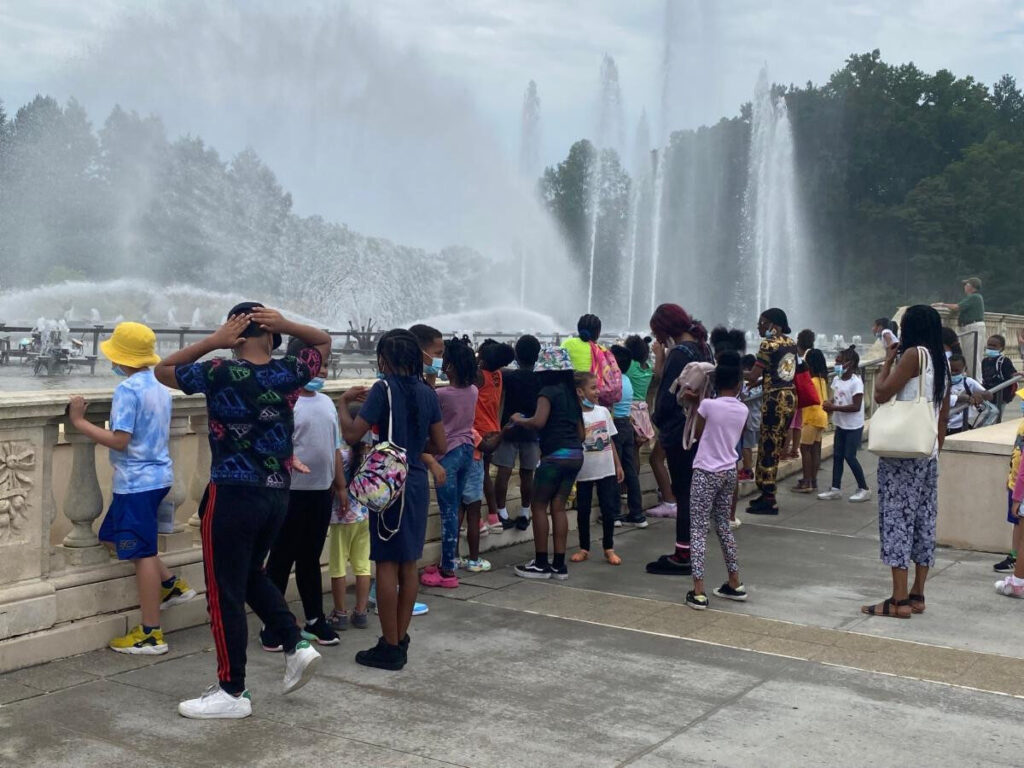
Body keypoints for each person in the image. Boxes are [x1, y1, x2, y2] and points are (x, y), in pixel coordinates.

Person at [156, 303, 330, 719]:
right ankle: (295, 644)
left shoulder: (218, 371)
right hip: (277, 495)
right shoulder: (288, 373)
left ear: (233, 336)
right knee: (251, 574)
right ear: (271, 336)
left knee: (223, 592)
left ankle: (232, 690)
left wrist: (213, 342)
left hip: (232, 495)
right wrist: (286, 324)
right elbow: (322, 341)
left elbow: (163, 370)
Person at [68, 322, 194, 656]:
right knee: (112, 536)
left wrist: (80, 423)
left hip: (137, 483)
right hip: (157, 478)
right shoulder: (158, 386)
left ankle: (151, 634)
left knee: (139, 552)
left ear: (120, 358)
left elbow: (120, 440)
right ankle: (169, 584)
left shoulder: (128, 391)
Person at [338, 329, 446, 670]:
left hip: (387, 482)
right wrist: (414, 451)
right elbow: (440, 446)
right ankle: (400, 637)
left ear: (384, 359)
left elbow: (352, 433)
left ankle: (389, 644)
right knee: (408, 563)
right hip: (414, 479)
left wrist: (342, 404)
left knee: (385, 562)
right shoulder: (428, 392)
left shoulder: (383, 389)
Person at [862, 305, 949, 619]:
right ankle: (917, 594)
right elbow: (943, 416)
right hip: (927, 454)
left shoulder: (912, 355)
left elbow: (882, 393)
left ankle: (898, 602)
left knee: (897, 521)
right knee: (924, 522)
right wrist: (933, 449)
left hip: (902, 456)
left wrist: (887, 360)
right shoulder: (942, 361)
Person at [263, 338, 344, 648]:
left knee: (310, 557)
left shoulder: (326, 403)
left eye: (325, 364)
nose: (321, 370)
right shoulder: (286, 402)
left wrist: (340, 485)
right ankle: (274, 624)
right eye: (316, 363)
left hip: (320, 493)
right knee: (280, 559)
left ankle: (315, 618)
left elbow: (334, 447)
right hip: (289, 494)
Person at [645, 303, 713, 575]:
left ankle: (683, 556)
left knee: (683, 493)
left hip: (679, 433)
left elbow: (667, 397)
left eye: (657, 332)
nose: (658, 339)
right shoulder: (700, 347)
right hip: (698, 430)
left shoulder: (679, 354)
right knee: (690, 495)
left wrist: (658, 421)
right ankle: (689, 551)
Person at [508, 346, 584, 580]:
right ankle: (559, 565)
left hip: (554, 457)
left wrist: (519, 420)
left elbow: (539, 422)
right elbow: (582, 433)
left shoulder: (547, 393)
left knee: (538, 506)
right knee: (558, 507)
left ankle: (541, 563)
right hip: (575, 455)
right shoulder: (572, 395)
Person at [686, 351, 749, 610]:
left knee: (699, 528)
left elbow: (698, 433)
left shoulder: (708, 405)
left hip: (705, 470)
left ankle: (698, 590)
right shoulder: (743, 409)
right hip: (729, 470)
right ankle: (734, 581)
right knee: (723, 525)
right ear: (738, 384)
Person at [421, 337, 483, 590]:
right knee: (455, 508)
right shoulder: (474, 391)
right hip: (467, 449)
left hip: (447, 454)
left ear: (451, 367)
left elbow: (426, 405)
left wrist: (430, 376)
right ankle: (450, 560)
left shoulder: (442, 394)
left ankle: (447, 571)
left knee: (448, 513)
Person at [744, 308, 798, 516]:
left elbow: (753, 374)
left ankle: (768, 496)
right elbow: (780, 370)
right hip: (790, 396)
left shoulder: (768, 344)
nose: (759, 326)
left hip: (775, 399)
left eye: (762, 323)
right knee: (775, 446)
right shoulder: (791, 343)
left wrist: (728, 371)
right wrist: (761, 379)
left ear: (773, 325)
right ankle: (767, 493)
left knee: (767, 445)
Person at [570, 372, 626, 565]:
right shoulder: (575, 415)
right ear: (579, 391)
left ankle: (608, 547)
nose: (597, 391)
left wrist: (617, 464)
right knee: (583, 510)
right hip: (584, 470)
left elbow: (609, 440)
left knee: (608, 509)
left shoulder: (602, 412)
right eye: (593, 388)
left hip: (606, 468)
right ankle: (584, 547)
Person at [327, 408, 371, 633]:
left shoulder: (341, 456)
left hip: (340, 518)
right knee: (363, 566)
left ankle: (340, 613)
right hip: (363, 516)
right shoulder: (368, 454)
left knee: (337, 567)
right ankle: (361, 612)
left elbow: (332, 478)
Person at [494, 334, 542, 532]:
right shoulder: (541, 379)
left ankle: (501, 512)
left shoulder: (509, 376)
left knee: (503, 472)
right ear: (537, 357)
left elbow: (497, 373)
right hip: (531, 431)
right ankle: (525, 512)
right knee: (527, 474)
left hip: (509, 429)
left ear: (516, 355)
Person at [819, 347, 870, 502]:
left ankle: (864, 488)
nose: (836, 364)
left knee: (850, 456)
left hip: (853, 426)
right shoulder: (837, 379)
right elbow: (838, 397)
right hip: (841, 424)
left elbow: (856, 406)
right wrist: (830, 403)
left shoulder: (856, 383)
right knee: (838, 455)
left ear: (850, 363)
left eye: (839, 362)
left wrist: (834, 408)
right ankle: (835, 488)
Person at [475, 339, 515, 533]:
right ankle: (494, 516)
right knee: (484, 475)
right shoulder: (498, 374)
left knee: (477, 476)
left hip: (479, 431)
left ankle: (480, 520)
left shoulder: (478, 375)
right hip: (494, 428)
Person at [610, 345, 646, 527]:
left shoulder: (613, 381)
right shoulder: (627, 381)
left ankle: (614, 514)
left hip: (614, 424)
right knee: (630, 469)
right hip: (626, 425)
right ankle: (637, 513)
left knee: (613, 469)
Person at [993, 398, 1024, 576]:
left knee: (1019, 522)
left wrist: (1017, 496)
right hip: (1015, 481)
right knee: (1016, 523)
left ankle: (1016, 559)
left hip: (1020, 486)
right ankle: (1014, 555)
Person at [935, 277, 986, 379]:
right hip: (970, 327)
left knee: (972, 358)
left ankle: (976, 383)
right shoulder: (972, 298)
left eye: (966, 285)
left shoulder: (974, 297)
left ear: (971, 287)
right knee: (968, 356)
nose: (965, 287)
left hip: (973, 327)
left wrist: (942, 305)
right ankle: (972, 380)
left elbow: (957, 307)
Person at [794, 348, 828, 493]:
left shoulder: (811, 381)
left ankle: (806, 481)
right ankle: (813, 480)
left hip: (811, 418)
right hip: (821, 417)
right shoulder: (821, 380)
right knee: (814, 449)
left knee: (805, 449)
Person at [623, 334, 655, 447]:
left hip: (630, 412)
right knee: (635, 450)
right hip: (643, 412)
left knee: (628, 448)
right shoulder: (649, 369)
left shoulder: (630, 366)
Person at [981, 334, 1018, 423]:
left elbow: (1012, 374)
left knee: (996, 415)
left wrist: (1016, 375)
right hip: (989, 392)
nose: (990, 347)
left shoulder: (1004, 361)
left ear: (1001, 348)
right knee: (989, 413)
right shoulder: (984, 361)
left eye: (994, 346)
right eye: (989, 345)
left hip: (1001, 395)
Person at [739, 354, 762, 485]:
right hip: (753, 418)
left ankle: (748, 471)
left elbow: (746, 396)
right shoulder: (759, 382)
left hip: (752, 419)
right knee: (747, 445)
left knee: (746, 446)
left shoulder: (759, 383)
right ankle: (748, 467)